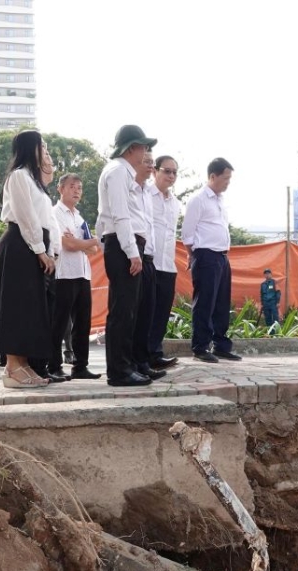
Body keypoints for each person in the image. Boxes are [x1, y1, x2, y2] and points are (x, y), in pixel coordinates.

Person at [0, 130, 56, 388]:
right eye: (42, 146)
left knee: (29, 309)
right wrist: (40, 250)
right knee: (16, 308)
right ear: (30, 148)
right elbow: (26, 217)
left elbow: (47, 221)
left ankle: (22, 364)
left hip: (33, 245)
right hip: (20, 245)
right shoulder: (19, 177)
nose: (45, 151)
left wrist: (50, 250)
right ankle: (12, 367)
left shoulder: (36, 182)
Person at [96, 125, 156, 387]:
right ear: (131, 148)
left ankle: (125, 365)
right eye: (142, 147)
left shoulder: (121, 172)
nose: (145, 153)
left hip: (123, 244)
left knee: (127, 310)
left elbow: (104, 219)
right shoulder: (119, 172)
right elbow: (120, 216)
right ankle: (119, 371)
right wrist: (132, 253)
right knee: (123, 311)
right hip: (123, 246)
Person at [181, 158, 240, 363]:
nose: (228, 182)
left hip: (222, 257)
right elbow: (187, 233)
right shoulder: (198, 200)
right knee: (205, 302)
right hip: (205, 255)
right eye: (225, 178)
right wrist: (193, 254)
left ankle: (221, 345)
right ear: (213, 176)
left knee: (222, 303)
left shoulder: (220, 200)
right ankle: (200, 346)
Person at [47, 173, 100, 380]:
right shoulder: (54, 213)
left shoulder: (79, 216)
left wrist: (83, 242)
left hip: (82, 273)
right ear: (60, 188)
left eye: (79, 187)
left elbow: (92, 251)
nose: (76, 190)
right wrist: (88, 242)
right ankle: (53, 365)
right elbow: (66, 244)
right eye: (72, 186)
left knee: (83, 323)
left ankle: (80, 366)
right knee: (59, 322)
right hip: (63, 274)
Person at [130, 151, 166, 380]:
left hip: (150, 257)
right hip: (135, 255)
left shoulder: (146, 193)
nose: (150, 166)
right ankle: (130, 364)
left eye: (152, 163)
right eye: (147, 162)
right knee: (132, 315)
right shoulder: (130, 189)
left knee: (146, 314)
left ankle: (142, 362)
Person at [146, 155, 181, 370]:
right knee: (146, 312)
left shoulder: (175, 202)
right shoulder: (145, 195)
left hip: (168, 263)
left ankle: (155, 353)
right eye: (166, 171)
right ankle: (142, 356)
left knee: (162, 312)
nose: (171, 175)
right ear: (155, 171)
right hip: (149, 262)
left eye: (174, 172)